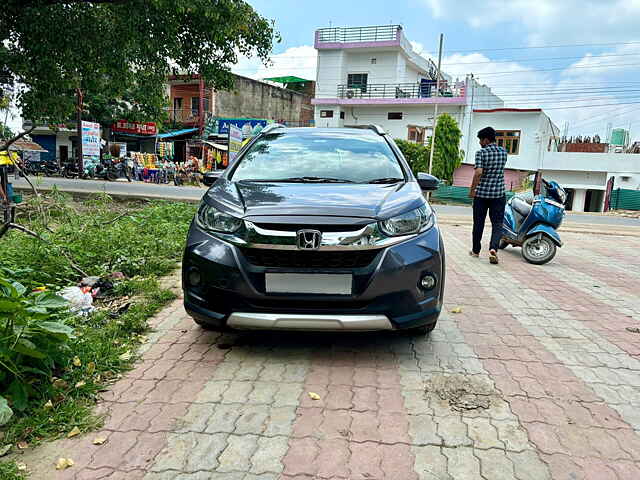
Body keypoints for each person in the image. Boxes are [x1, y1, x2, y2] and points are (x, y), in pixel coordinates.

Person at [469, 127, 507, 264]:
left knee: (478, 223)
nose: (479, 142)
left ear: (485, 139)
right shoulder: (503, 152)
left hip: (482, 195)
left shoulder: (481, 153)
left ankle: (475, 250)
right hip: (498, 194)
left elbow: (478, 172)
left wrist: (472, 190)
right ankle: (493, 249)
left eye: (480, 140)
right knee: (497, 224)